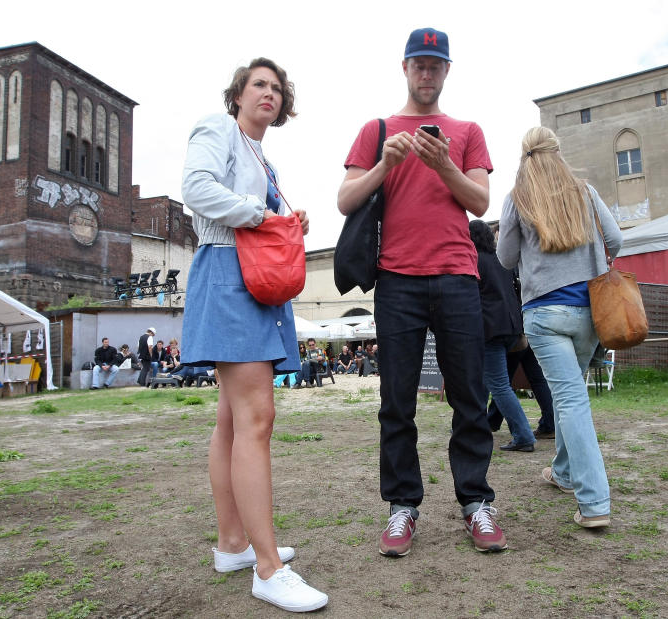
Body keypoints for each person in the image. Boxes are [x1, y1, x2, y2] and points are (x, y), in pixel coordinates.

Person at [338, 27, 506, 556]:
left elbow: (480, 202)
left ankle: (475, 502)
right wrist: (388, 162)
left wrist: (443, 164)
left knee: (468, 396)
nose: (427, 73)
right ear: (405, 67)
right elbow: (345, 200)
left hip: (458, 276)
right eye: (419, 63)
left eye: (436, 64)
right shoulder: (377, 129)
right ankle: (402, 507)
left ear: (447, 70)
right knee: (397, 400)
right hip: (397, 281)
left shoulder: (469, 130)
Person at [180, 57, 327, 612]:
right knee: (256, 418)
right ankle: (268, 570)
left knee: (233, 420)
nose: (269, 92)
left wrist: (283, 218)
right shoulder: (218, 128)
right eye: (258, 85)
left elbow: (251, 214)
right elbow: (195, 188)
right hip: (227, 272)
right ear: (237, 95)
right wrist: (259, 215)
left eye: (277, 88)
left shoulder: (261, 154)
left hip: (248, 277)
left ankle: (234, 544)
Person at [496, 126, 618, 529]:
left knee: (570, 400)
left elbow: (507, 257)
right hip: (590, 313)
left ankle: (595, 501)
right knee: (573, 396)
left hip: (545, 314)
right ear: (558, 152)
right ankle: (564, 473)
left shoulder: (517, 198)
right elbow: (614, 239)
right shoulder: (584, 191)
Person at [470, 219, 535, 453]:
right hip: (511, 328)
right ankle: (476, 424)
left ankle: (524, 435)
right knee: (491, 381)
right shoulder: (501, 260)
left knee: (498, 385)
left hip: (490, 329)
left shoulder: (473, 261)